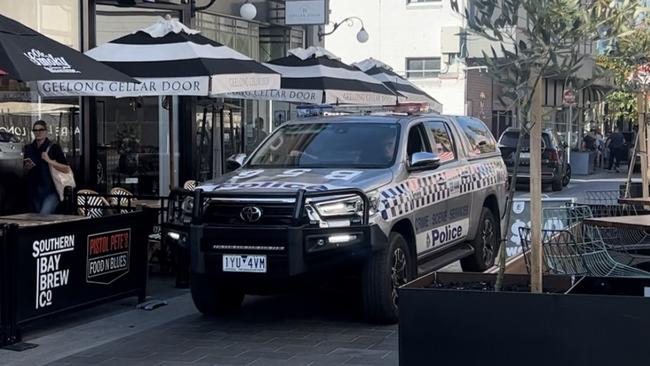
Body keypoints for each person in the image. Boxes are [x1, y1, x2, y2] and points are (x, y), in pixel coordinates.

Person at [24, 120, 71, 214]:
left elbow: (66, 168)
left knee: (43, 216)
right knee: (37, 218)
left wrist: (49, 160)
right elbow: (25, 168)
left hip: (51, 190)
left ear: (46, 131)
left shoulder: (54, 147)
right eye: (35, 130)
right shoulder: (29, 148)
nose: (38, 132)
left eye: (41, 130)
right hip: (34, 191)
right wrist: (27, 167)